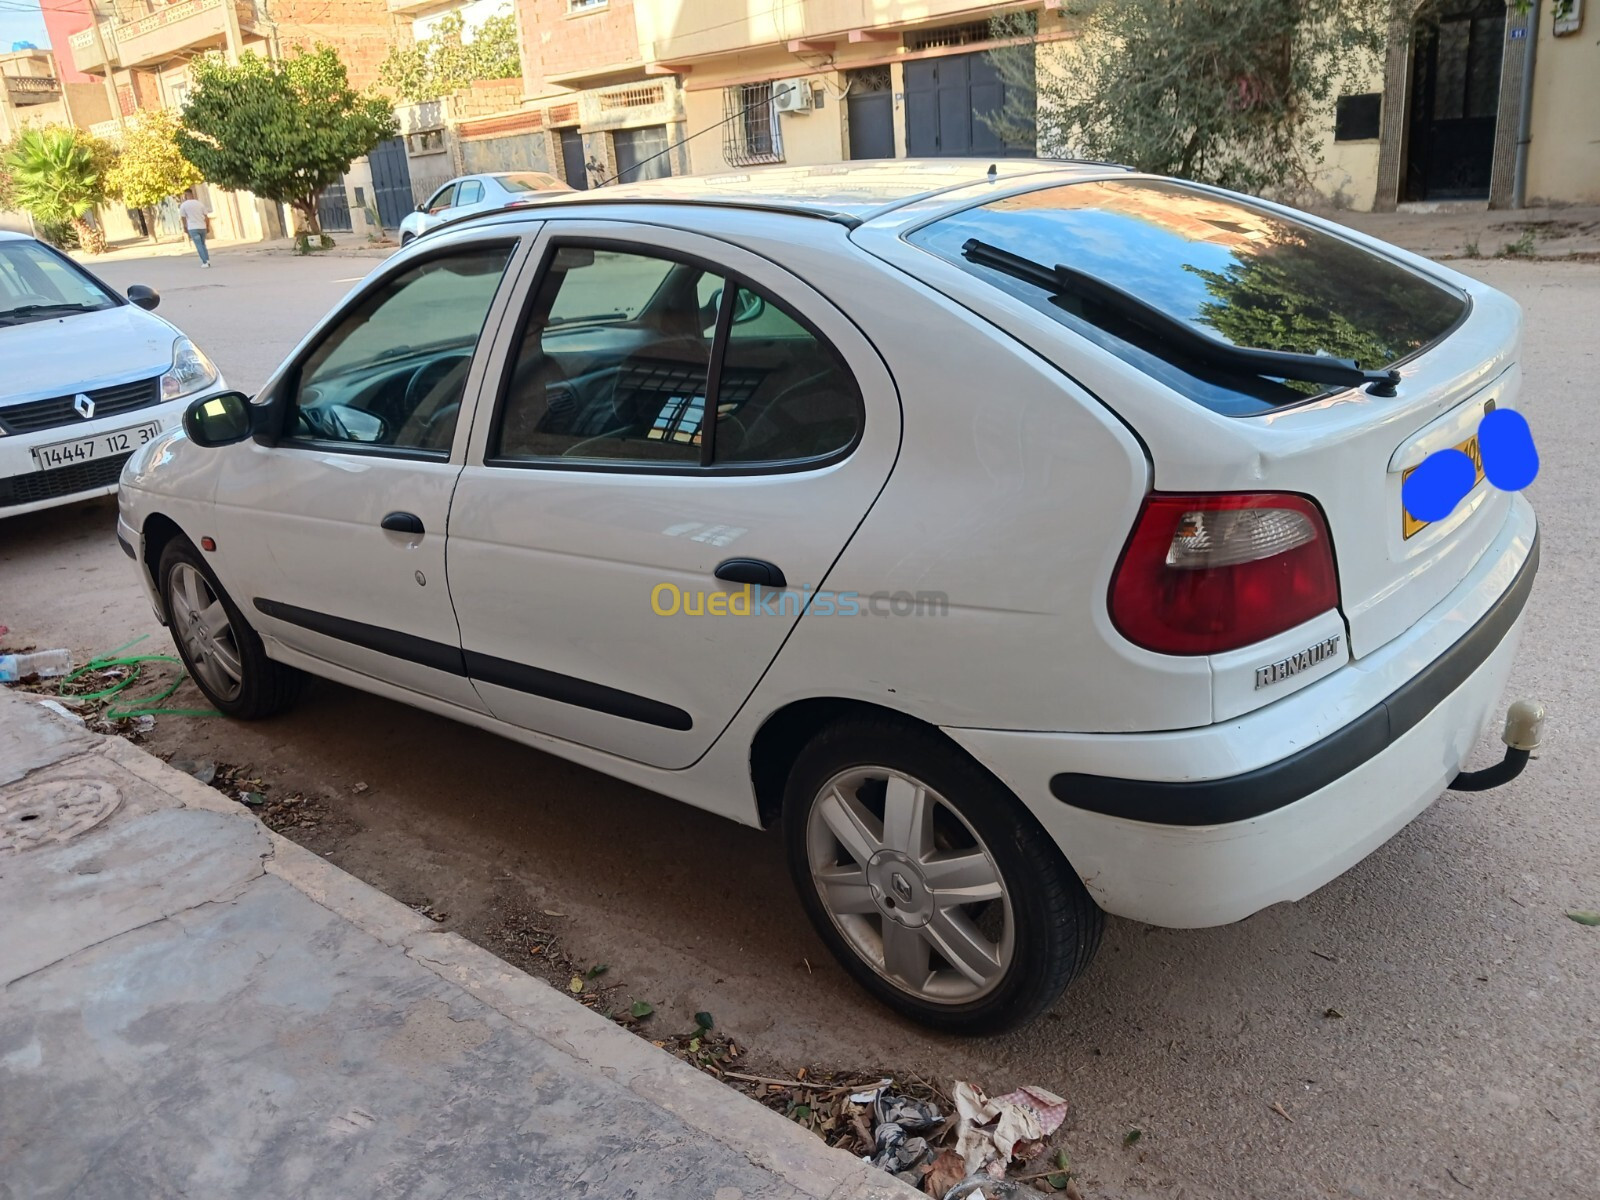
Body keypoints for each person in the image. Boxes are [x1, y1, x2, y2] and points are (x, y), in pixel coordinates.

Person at [178, 189, 212, 268]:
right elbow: (206, 217)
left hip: (193, 228)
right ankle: (207, 259)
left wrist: (185, 227)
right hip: (202, 227)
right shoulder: (199, 204)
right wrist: (207, 226)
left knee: (198, 245)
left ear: (185, 195)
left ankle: (205, 262)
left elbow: (183, 218)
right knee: (203, 244)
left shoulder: (184, 205)